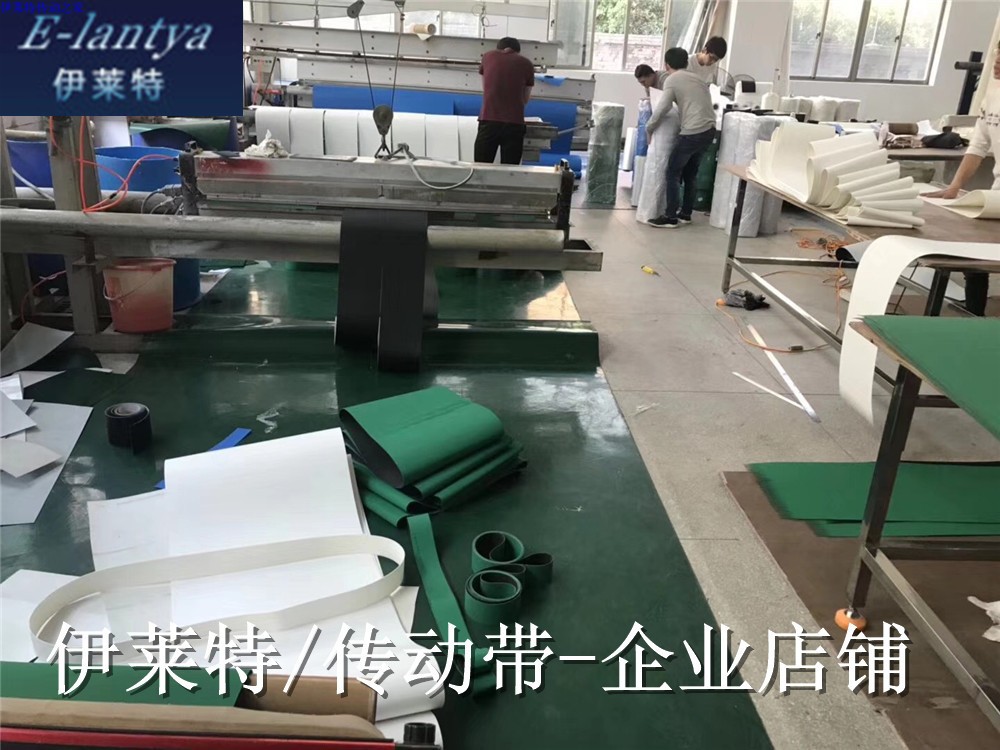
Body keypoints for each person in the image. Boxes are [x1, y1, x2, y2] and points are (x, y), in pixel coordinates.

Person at [925, 40, 999, 316]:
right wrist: (954, 187)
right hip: (997, 192)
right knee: (976, 247)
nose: (997, 62)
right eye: (998, 54)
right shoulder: (993, 95)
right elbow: (978, 146)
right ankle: (974, 312)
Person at [645, 47, 717, 228]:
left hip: (693, 132)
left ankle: (670, 217)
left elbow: (663, 107)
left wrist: (649, 127)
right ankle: (685, 214)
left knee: (672, 172)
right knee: (690, 173)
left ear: (666, 65)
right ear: (686, 62)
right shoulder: (698, 78)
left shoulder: (672, 79)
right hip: (709, 131)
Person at [475, 37, 535, 165]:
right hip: (514, 125)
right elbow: (525, 99)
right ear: (517, 51)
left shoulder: (487, 57)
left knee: (481, 167)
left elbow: (485, 88)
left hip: (488, 121)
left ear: (499, 48)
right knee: (510, 170)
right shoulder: (527, 64)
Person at [634, 37, 728, 92]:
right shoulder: (687, 62)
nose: (712, 62)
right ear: (705, 50)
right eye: (711, 58)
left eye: (716, 60)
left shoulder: (712, 68)